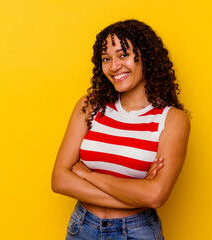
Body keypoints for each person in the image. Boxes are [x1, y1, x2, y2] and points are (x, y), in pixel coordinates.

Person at [51, 19, 190, 240]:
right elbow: (59, 180)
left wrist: (89, 175)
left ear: (146, 57)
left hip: (137, 232)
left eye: (123, 55)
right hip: (82, 228)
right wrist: (137, 192)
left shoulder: (172, 120)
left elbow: (155, 196)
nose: (114, 66)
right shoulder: (90, 106)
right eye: (107, 59)